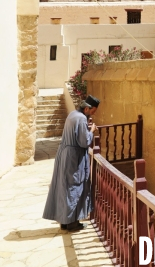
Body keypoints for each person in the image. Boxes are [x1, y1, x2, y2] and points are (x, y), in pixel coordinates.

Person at [43, 94, 101, 231]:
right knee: (74, 188)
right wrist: (91, 131)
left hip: (65, 155)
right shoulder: (81, 119)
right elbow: (84, 142)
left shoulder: (72, 115)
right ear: (87, 109)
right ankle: (72, 223)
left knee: (65, 188)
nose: (93, 114)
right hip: (74, 158)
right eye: (93, 111)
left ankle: (65, 220)